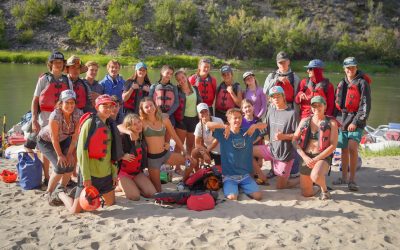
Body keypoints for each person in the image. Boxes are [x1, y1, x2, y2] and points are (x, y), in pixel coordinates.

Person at [57, 95, 123, 213]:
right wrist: (86, 177)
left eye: (111, 106)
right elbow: (81, 151)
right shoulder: (90, 123)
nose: (108, 108)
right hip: (90, 174)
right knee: (75, 211)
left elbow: (112, 153)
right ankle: (61, 193)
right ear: (97, 107)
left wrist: (114, 173)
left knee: (111, 203)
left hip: (106, 173)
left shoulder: (110, 124)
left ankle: (81, 193)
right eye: (105, 106)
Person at [207, 108, 266, 201]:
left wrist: (254, 126)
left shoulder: (247, 132)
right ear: (229, 120)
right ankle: (235, 188)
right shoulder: (223, 133)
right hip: (229, 177)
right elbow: (208, 124)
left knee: (258, 196)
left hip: (245, 176)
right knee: (232, 198)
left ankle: (241, 187)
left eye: (239, 118)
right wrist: (224, 126)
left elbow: (264, 125)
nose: (237, 120)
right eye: (235, 118)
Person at [29, 51, 70, 186]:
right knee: (44, 148)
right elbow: (35, 100)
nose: (58, 65)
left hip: (60, 119)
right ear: (50, 64)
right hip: (44, 119)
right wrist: (34, 119)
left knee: (59, 146)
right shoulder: (43, 79)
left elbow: (70, 100)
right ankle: (46, 177)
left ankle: (58, 176)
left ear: (63, 64)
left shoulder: (67, 80)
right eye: (55, 62)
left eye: (60, 63)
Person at [139, 97, 195, 192]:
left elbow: (175, 137)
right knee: (158, 191)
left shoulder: (164, 120)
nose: (149, 108)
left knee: (191, 162)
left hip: (166, 155)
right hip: (152, 159)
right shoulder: (141, 122)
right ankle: (148, 178)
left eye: (151, 105)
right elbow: (122, 126)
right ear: (142, 110)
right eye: (146, 107)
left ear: (155, 106)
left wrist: (185, 152)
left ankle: (183, 182)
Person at [37, 90, 82, 205]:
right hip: (45, 141)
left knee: (71, 163)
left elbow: (75, 137)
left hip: (65, 139)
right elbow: (54, 139)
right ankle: (48, 191)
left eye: (72, 103)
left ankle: (61, 187)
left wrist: (69, 154)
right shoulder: (55, 115)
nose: (70, 106)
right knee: (60, 165)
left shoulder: (78, 114)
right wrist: (60, 155)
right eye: (67, 103)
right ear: (61, 103)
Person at [333, 57, 371, 191]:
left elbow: (365, 106)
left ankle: (352, 180)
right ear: (344, 68)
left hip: (356, 119)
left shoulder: (362, 83)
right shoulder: (341, 82)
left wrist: (355, 122)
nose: (350, 70)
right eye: (348, 67)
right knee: (343, 148)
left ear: (356, 67)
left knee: (352, 147)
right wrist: (334, 120)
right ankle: (343, 177)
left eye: (352, 67)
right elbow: (335, 104)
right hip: (342, 119)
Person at [253, 86, 299, 189]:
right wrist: (252, 138)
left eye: (278, 96)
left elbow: (298, 135)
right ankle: (261, 176)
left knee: (280, 186)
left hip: (284, 154)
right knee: (247, 150)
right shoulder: (270, 111)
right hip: (271, 149)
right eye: (273, 97)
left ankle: (303, 178)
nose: (276, 99)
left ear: (283, 97)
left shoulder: (292, 113)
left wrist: (284, 136)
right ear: (270, 99)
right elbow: (265, 129)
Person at [294, 96, 338, 200]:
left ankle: (324, 190)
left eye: (320, 105)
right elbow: (294, 140)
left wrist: (315, 159)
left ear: (325, 106)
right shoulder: (305, 121)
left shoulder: (332, 123)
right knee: (306, 193)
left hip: (322, 157)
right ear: (311, 107)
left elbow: (333, 146)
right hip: (307, 157)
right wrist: (305, 157)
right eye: (314, 105)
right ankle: (316, 187)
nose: (317, 107)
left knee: (315, 176)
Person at [118, 114, 156, 200]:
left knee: (152, 194)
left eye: (139, 122)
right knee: (135, 197)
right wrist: (122, 156)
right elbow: (112, 153)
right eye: (134, 124)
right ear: (128, 127)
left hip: (137, 172)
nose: (138, 125)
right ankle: (119, 186)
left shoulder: (142, 135)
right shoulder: (123, 137)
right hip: (123, 173)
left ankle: (132, 186)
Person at [174, 69, 202, 159]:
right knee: (179, 145)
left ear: (186, 76)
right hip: (182, 120)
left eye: (182, 77)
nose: (181, 80)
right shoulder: (177, 90)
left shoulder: (195, 89)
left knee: (190, 146)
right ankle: (177, 167)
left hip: (193, 120)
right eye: (179, 80)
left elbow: (200, 103)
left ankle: (188, 165)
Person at [191, 103, 223, 169]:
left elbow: (219, 138)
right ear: (198, 115)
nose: (204, 113)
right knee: (194, 152)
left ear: (209, 111)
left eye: (206, 111)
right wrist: (204, 154)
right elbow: (197, 144)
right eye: (201, 112)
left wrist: (207, 150)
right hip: (208, 150)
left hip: (220, 150)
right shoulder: (198, 126)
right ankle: (197, 172)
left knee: (220, 172)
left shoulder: (218, 120)